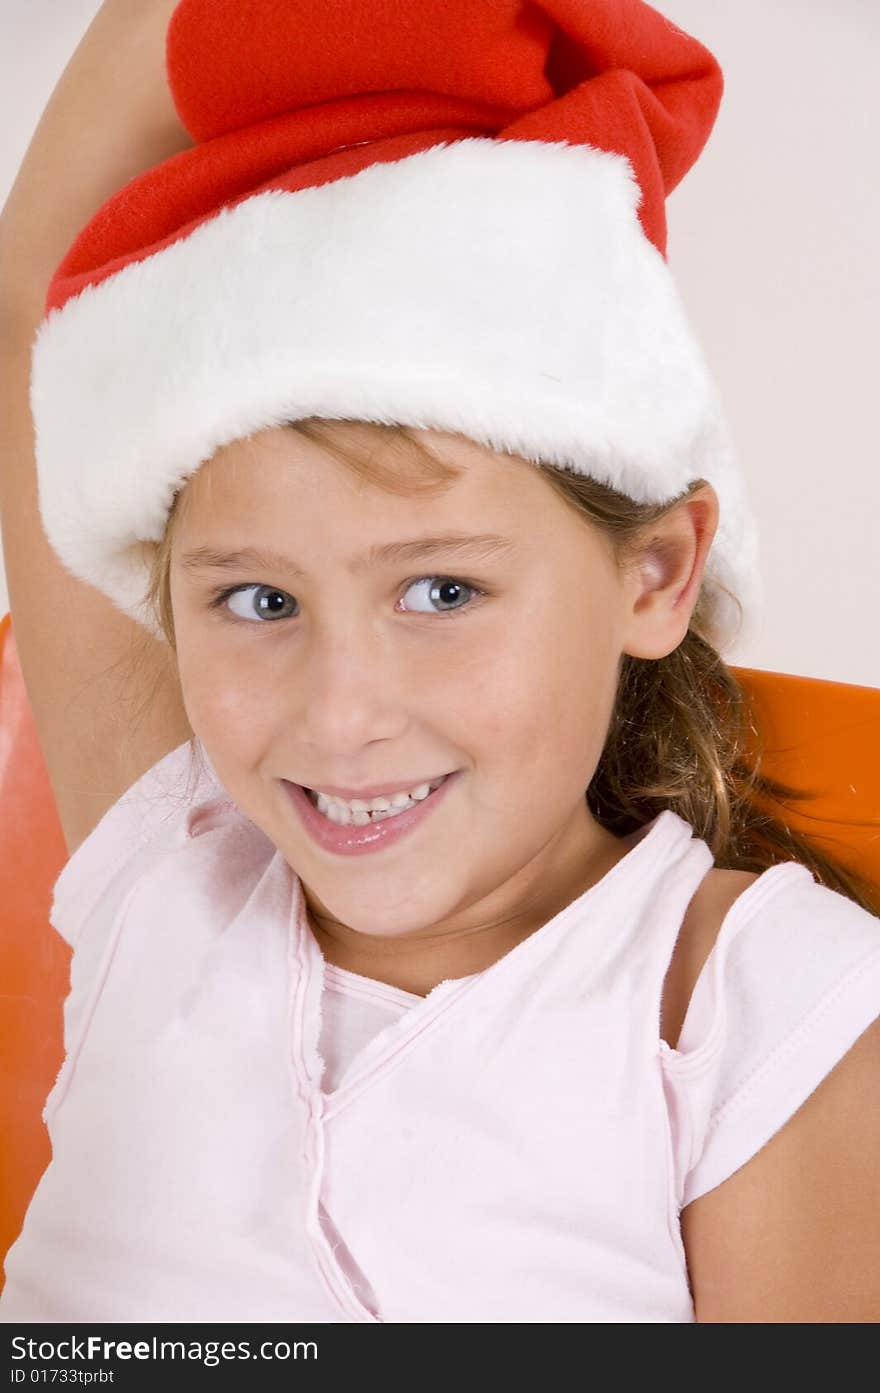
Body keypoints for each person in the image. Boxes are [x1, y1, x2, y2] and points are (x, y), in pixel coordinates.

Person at [0, 0, 878, 1325]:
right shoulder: (167, 870)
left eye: (442, 588)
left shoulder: (748, 1014)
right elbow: (32, 310)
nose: (339, 713)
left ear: (654, 571)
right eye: (254, 598)